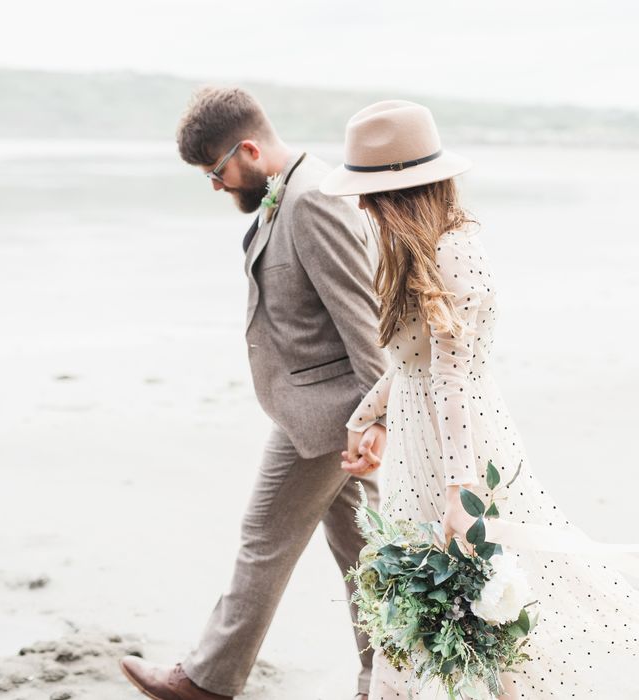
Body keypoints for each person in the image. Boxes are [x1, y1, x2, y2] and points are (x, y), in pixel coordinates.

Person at [320, 99, 639, 698]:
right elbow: (411, 366)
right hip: (419, 440)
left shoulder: (456, 250)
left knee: (488, 600)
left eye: (369, 191)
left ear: (406, 192)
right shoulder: (414, 246)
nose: (361, 205)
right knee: (422, 603)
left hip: (459, 444)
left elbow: (454, 379)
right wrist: (365, 421)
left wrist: (461, 492)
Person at [119, 87, 389, 700]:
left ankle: (207, 681)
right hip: (322, 411)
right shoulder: (286, 192)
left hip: (327, 418)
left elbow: (363, 321)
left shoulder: (313, 200)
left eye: (217, 172)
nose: (214, 186)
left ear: (248, 148)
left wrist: (373, 421)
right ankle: (386, 680)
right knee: (368, 556)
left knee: (263, 541)